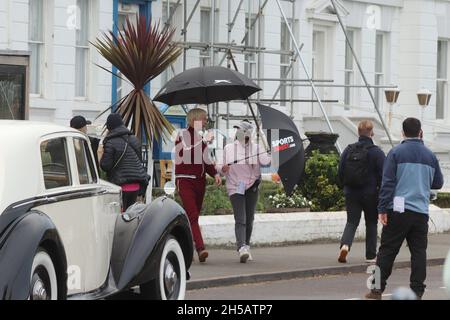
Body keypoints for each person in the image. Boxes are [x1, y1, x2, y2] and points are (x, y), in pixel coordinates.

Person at [365, 118, 443, 300]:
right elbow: (438, 182)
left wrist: (382, 209)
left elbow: (388, 184)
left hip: (398, 211)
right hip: (421, 212)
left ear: (403, 133)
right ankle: (417, 291)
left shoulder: (395, 153)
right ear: (420, 132)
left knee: (386, 251)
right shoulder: (430, 156)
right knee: (418, 253)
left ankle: (376, 290)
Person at [218, 120, 271, 263]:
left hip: (252, 185)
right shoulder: (229, 148)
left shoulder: (257, 148)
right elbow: (220, 167)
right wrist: (222, 169)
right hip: (235, 186)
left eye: (241, 130)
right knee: (240, 218)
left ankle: (246, 245)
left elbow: (267, 162)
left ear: (248, 134)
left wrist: (269, 150)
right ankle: (241, 247)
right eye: (237, 130)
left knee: (249, 219)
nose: (238, 132)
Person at [174, 108, 222, 263]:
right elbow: (187, 154)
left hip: (199, 181)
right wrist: (205, 142)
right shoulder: (182, 135)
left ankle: (185, 246)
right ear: (195, 120)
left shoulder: (200, 138)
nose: (207, 121)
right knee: (193, 216)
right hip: (185, 180)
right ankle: (200, 248)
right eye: (204, 119)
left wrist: (214, 173)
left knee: (192, 217)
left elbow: (205, 160)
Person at [338, 120, 385, 263]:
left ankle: (345, 245)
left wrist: (345, 188)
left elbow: (340, 171)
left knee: (351, 221)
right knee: (371, 223)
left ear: (358, 133)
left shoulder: (348, 149)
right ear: (372, 133)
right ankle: (370, 255)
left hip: (351, 192)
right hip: (370, 194)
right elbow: (385, 176)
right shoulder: (377, 152)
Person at [100, 113, 149, 211]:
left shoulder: (110, 142)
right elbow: (138, 161)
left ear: (109, 126)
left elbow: (105, 166)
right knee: (130, 215)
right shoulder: (134, 139)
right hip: (136, 186)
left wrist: (100, 154)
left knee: (119, 217)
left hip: (119, 186)